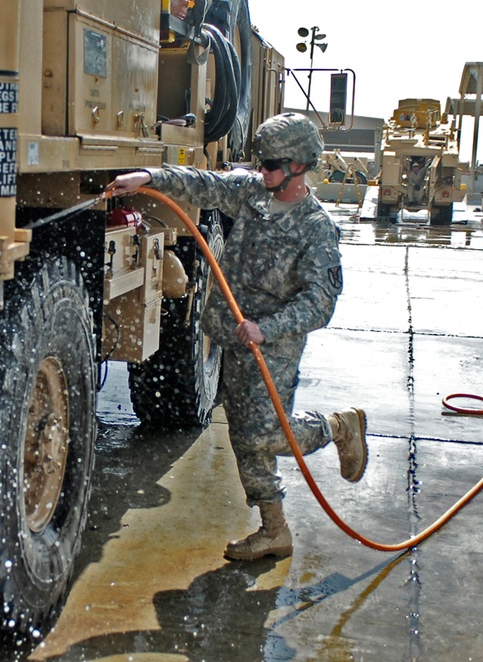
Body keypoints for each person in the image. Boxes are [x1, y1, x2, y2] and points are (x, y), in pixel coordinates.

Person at [105, 112, 367, 562]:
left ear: (299, 165)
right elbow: (203, 184)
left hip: (274, 343)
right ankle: (274, 531)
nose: (261, 171)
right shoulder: (252, 195)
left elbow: (319, 304)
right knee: (247, 436)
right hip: (232, 333)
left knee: (266, 433)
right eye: (261, 163)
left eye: (271, 165)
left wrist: (267, 329)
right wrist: (149, 176)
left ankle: (339, 426)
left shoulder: (317, 228)